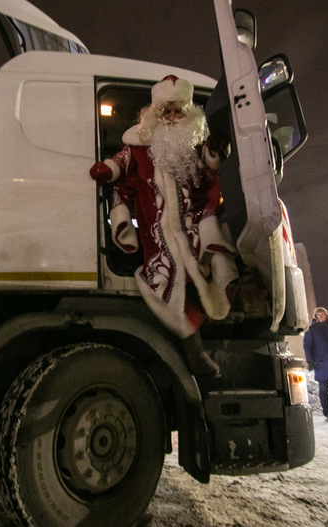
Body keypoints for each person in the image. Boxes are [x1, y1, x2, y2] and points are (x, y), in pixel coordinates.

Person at [89, 75, 237, 379]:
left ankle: (220, 311)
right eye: (165, 111)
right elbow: (121, 162)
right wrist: (109, 169)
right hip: (158, 233)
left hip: (194, 224)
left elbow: (211, 171)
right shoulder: (139, 144)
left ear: (188, 114)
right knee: (167, 282)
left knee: (212, 268)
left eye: (177, 111)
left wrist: (215, 151)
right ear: (156, 114)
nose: (171, 117)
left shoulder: (196, 144)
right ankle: (193, 348)